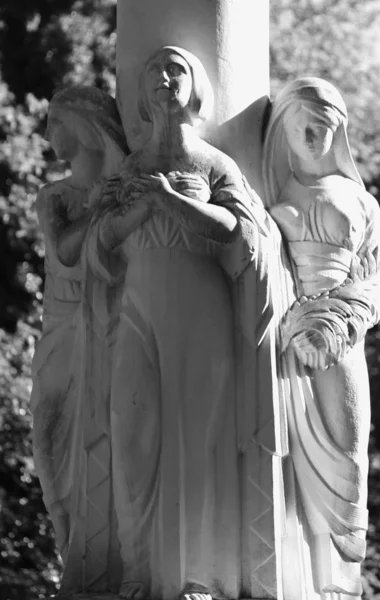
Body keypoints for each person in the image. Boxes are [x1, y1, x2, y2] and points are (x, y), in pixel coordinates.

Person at [87, 45, 281, 600]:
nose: (166, 79)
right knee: (133, 432)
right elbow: (101, 241)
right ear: (143, 93)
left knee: (200, 438)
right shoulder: (131, 166)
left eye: (177, 70)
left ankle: (199, 575)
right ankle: (137, 572)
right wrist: (140, 210)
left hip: (201, 303)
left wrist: (173, 201)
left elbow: (237, 231)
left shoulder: (214, 164)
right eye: (156, 72)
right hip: (140, 304)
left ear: (194, 86)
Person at [262, 77, 380, 599]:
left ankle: (339, 582)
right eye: (301, 125)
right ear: (283, 130)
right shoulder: (267, 193)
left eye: (323, 125)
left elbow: (378, 277)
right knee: (286, 460)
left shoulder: (361, 202)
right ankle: (296, 575)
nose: (312, 134)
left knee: (348, 450)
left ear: (339, 130)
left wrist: (341, 319)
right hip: (277, 344)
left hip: (338, 340)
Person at [31, 85, 128, 593]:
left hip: (108, 328)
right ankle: (66, 535)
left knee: (101, 434)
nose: (49, 135)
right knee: (45, 433)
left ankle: (94, 551)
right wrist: (100, 206)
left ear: (89, 128)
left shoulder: (125, 195)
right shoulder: (55, 197)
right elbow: (65, 252)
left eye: (57, 122)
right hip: (61, 327)